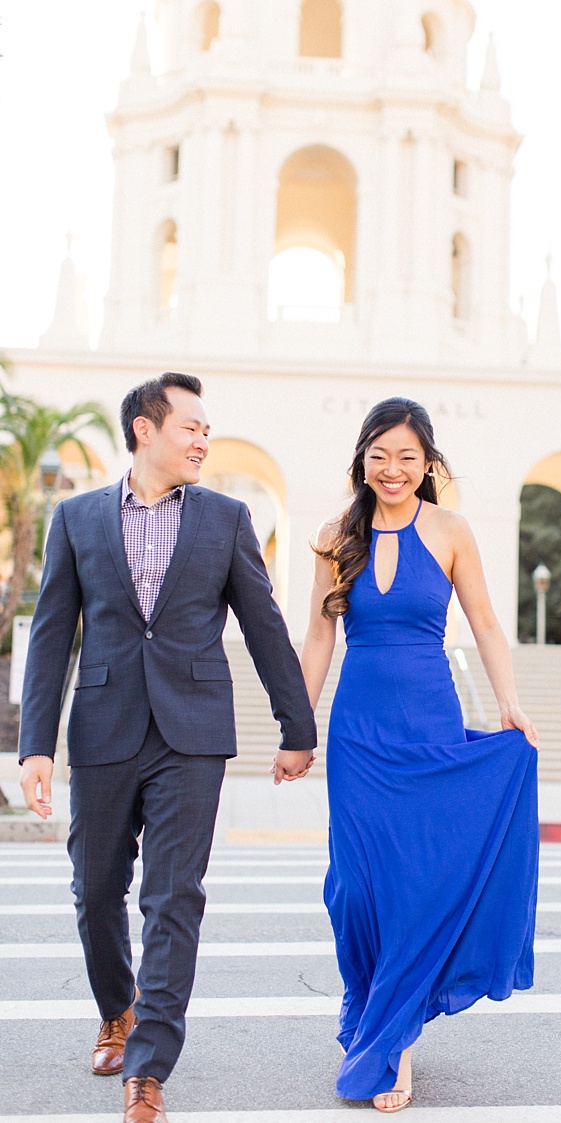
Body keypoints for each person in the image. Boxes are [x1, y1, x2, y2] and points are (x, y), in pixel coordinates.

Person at [16, 373, 317, 1123]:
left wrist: (297, 724)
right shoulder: (76, 517)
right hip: (103, 725)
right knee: (94, 888)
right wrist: (35, 745)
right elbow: (54, 636)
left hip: (193, 732)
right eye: (191, 427)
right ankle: (116, 1009)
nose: (203, 440)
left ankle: (147, 1068)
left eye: (208, 430)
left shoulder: (225, 517)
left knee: (174, 896)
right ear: (145, 430)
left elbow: (263, 622)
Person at [301, 398, 540, 1113]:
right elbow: (317, 640)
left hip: (428, 723)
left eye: (407, 456)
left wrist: (510, 703)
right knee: (356, 888)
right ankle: (372, 1010)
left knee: (413, 887)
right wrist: (297, 726)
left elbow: (488, 624)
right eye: (380, 455)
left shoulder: (451, 530)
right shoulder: (333, 533)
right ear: (361, 460)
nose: (393, 469)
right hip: (357, 735)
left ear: (428, 463)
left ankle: (395, 1040)